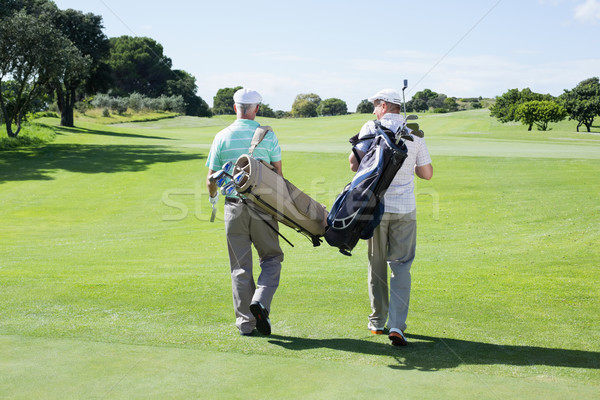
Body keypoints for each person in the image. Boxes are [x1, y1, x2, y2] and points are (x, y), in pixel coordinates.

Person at [349, 88, 433, 346]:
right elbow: (427, 173)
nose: (374, 110)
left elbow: (354, 165)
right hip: (405, 209)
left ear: (384, 106)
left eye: (375, 105)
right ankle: (397, 325)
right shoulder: (414, 133)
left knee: (376, 266)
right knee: (401, 266)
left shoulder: (370, 127)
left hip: (374, 208)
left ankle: (377, 322)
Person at [206, 88, 284, 337]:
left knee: (240, 267)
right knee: (272, 258)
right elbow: (279, 178)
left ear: (234, 107)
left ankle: (245, 323)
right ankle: (260, 301)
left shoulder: (221, 136)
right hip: (263, 206)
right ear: (257, 109)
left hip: (233, 207)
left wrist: (213, 199)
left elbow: (211, 180)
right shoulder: (268, 136)